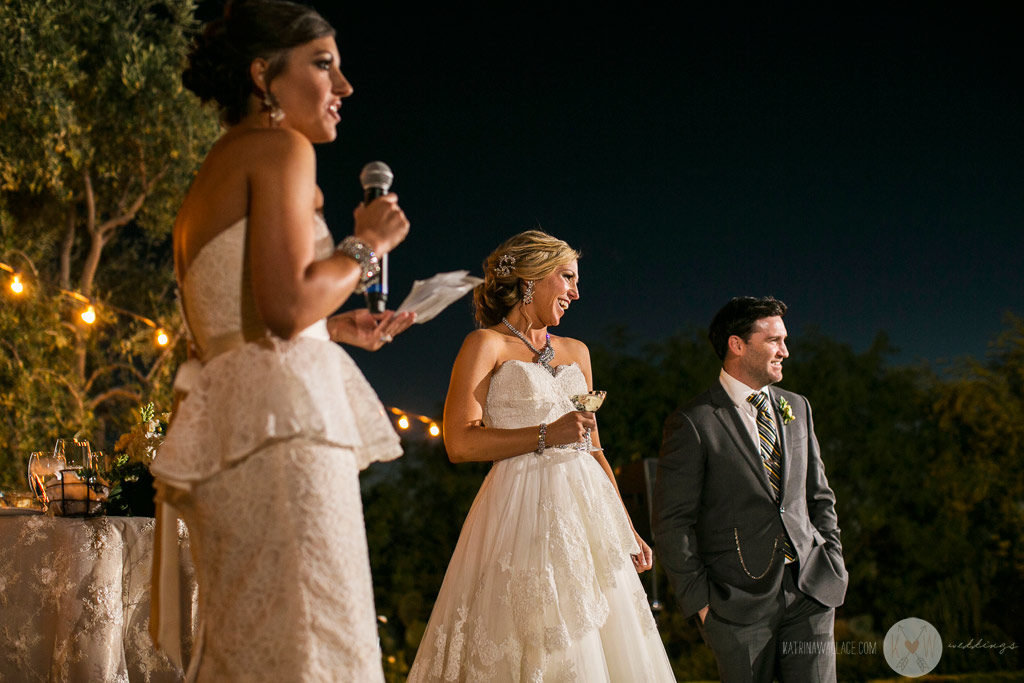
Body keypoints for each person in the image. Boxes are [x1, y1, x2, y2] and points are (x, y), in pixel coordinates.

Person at [148, 1, 412, 680]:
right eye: (324, 64)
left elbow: (238, 321)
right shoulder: (279, 148)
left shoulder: (216, 169)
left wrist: (338, 327)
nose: (344, 87)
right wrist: (368, 244)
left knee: (254, 647)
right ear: (265, 75)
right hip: (282, 436)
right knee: (314, 645)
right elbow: (288, 306)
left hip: (237, 430)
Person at [407, 230, 675, 682]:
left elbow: (594, 449)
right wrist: (546, 434)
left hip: (587, 518)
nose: (576, 291)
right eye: (567, 277)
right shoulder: (485, 345)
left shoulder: (578, 351)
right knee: (529, 632)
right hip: (518, 511)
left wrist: (626, 527)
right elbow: (461, 443)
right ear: (532, 278)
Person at [653, 296, 848, 682]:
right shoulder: (693, 422)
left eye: (784, 340)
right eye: (773, 340)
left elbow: (818, 495)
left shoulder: (798, 407)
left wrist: (832, 558)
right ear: (737, 345)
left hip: (811, 593)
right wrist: (702, 605)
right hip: (736, 606)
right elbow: (673, 524)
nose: (785, 351)